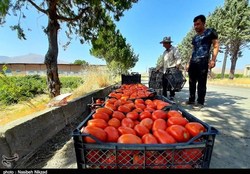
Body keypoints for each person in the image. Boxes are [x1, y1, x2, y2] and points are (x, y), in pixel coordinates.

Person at [185, 14, 219, 110]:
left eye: (198, 24)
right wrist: (188, 62)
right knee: (191, 81)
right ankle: (191, 99)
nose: (196, 26)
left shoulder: (210, 32)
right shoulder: (195, 38)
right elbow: (193, 50)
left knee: (201, 82)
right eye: (195, 25)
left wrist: (213, 59)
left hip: (203, 61)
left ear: (203, 23)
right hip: (193, 61)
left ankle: (200, 102)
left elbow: (216, 45)